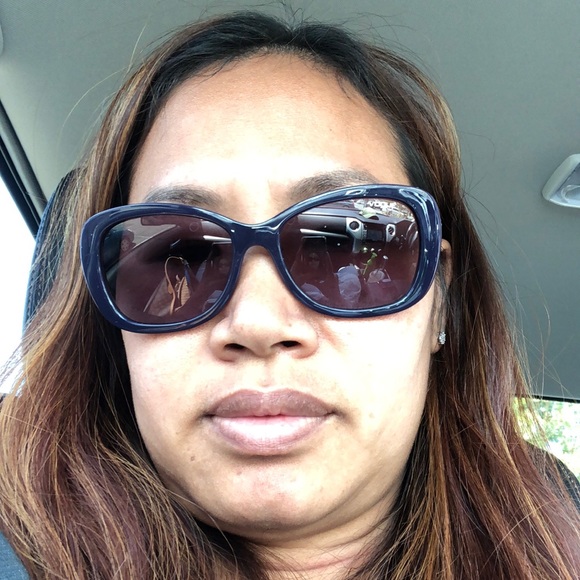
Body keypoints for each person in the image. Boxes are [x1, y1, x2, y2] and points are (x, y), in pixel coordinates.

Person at [0, 10, 578, 579]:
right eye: (184, 253)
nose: (257, 322)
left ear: (437, 302)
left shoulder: (556, 535)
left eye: (344, 247)